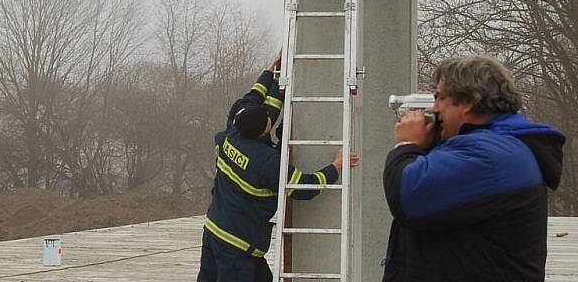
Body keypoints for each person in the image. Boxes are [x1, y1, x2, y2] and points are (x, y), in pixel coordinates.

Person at [382, 55, 565, 282]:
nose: (435, 107)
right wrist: (432, 143)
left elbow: (408, 194)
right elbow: (444, 195)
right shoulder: (497, 148)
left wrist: (407, 145)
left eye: (440, 97)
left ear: (467, 102)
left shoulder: (488, 157)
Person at [198, 50, 359, 282]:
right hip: (238, 245)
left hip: (214, 231)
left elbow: (254, 99)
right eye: (269, 122)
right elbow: (305, 187)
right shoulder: (267, 163)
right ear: (265, 129)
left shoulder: (233, 131)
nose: (271, 118)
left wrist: (273, 71)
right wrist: (336, 166)